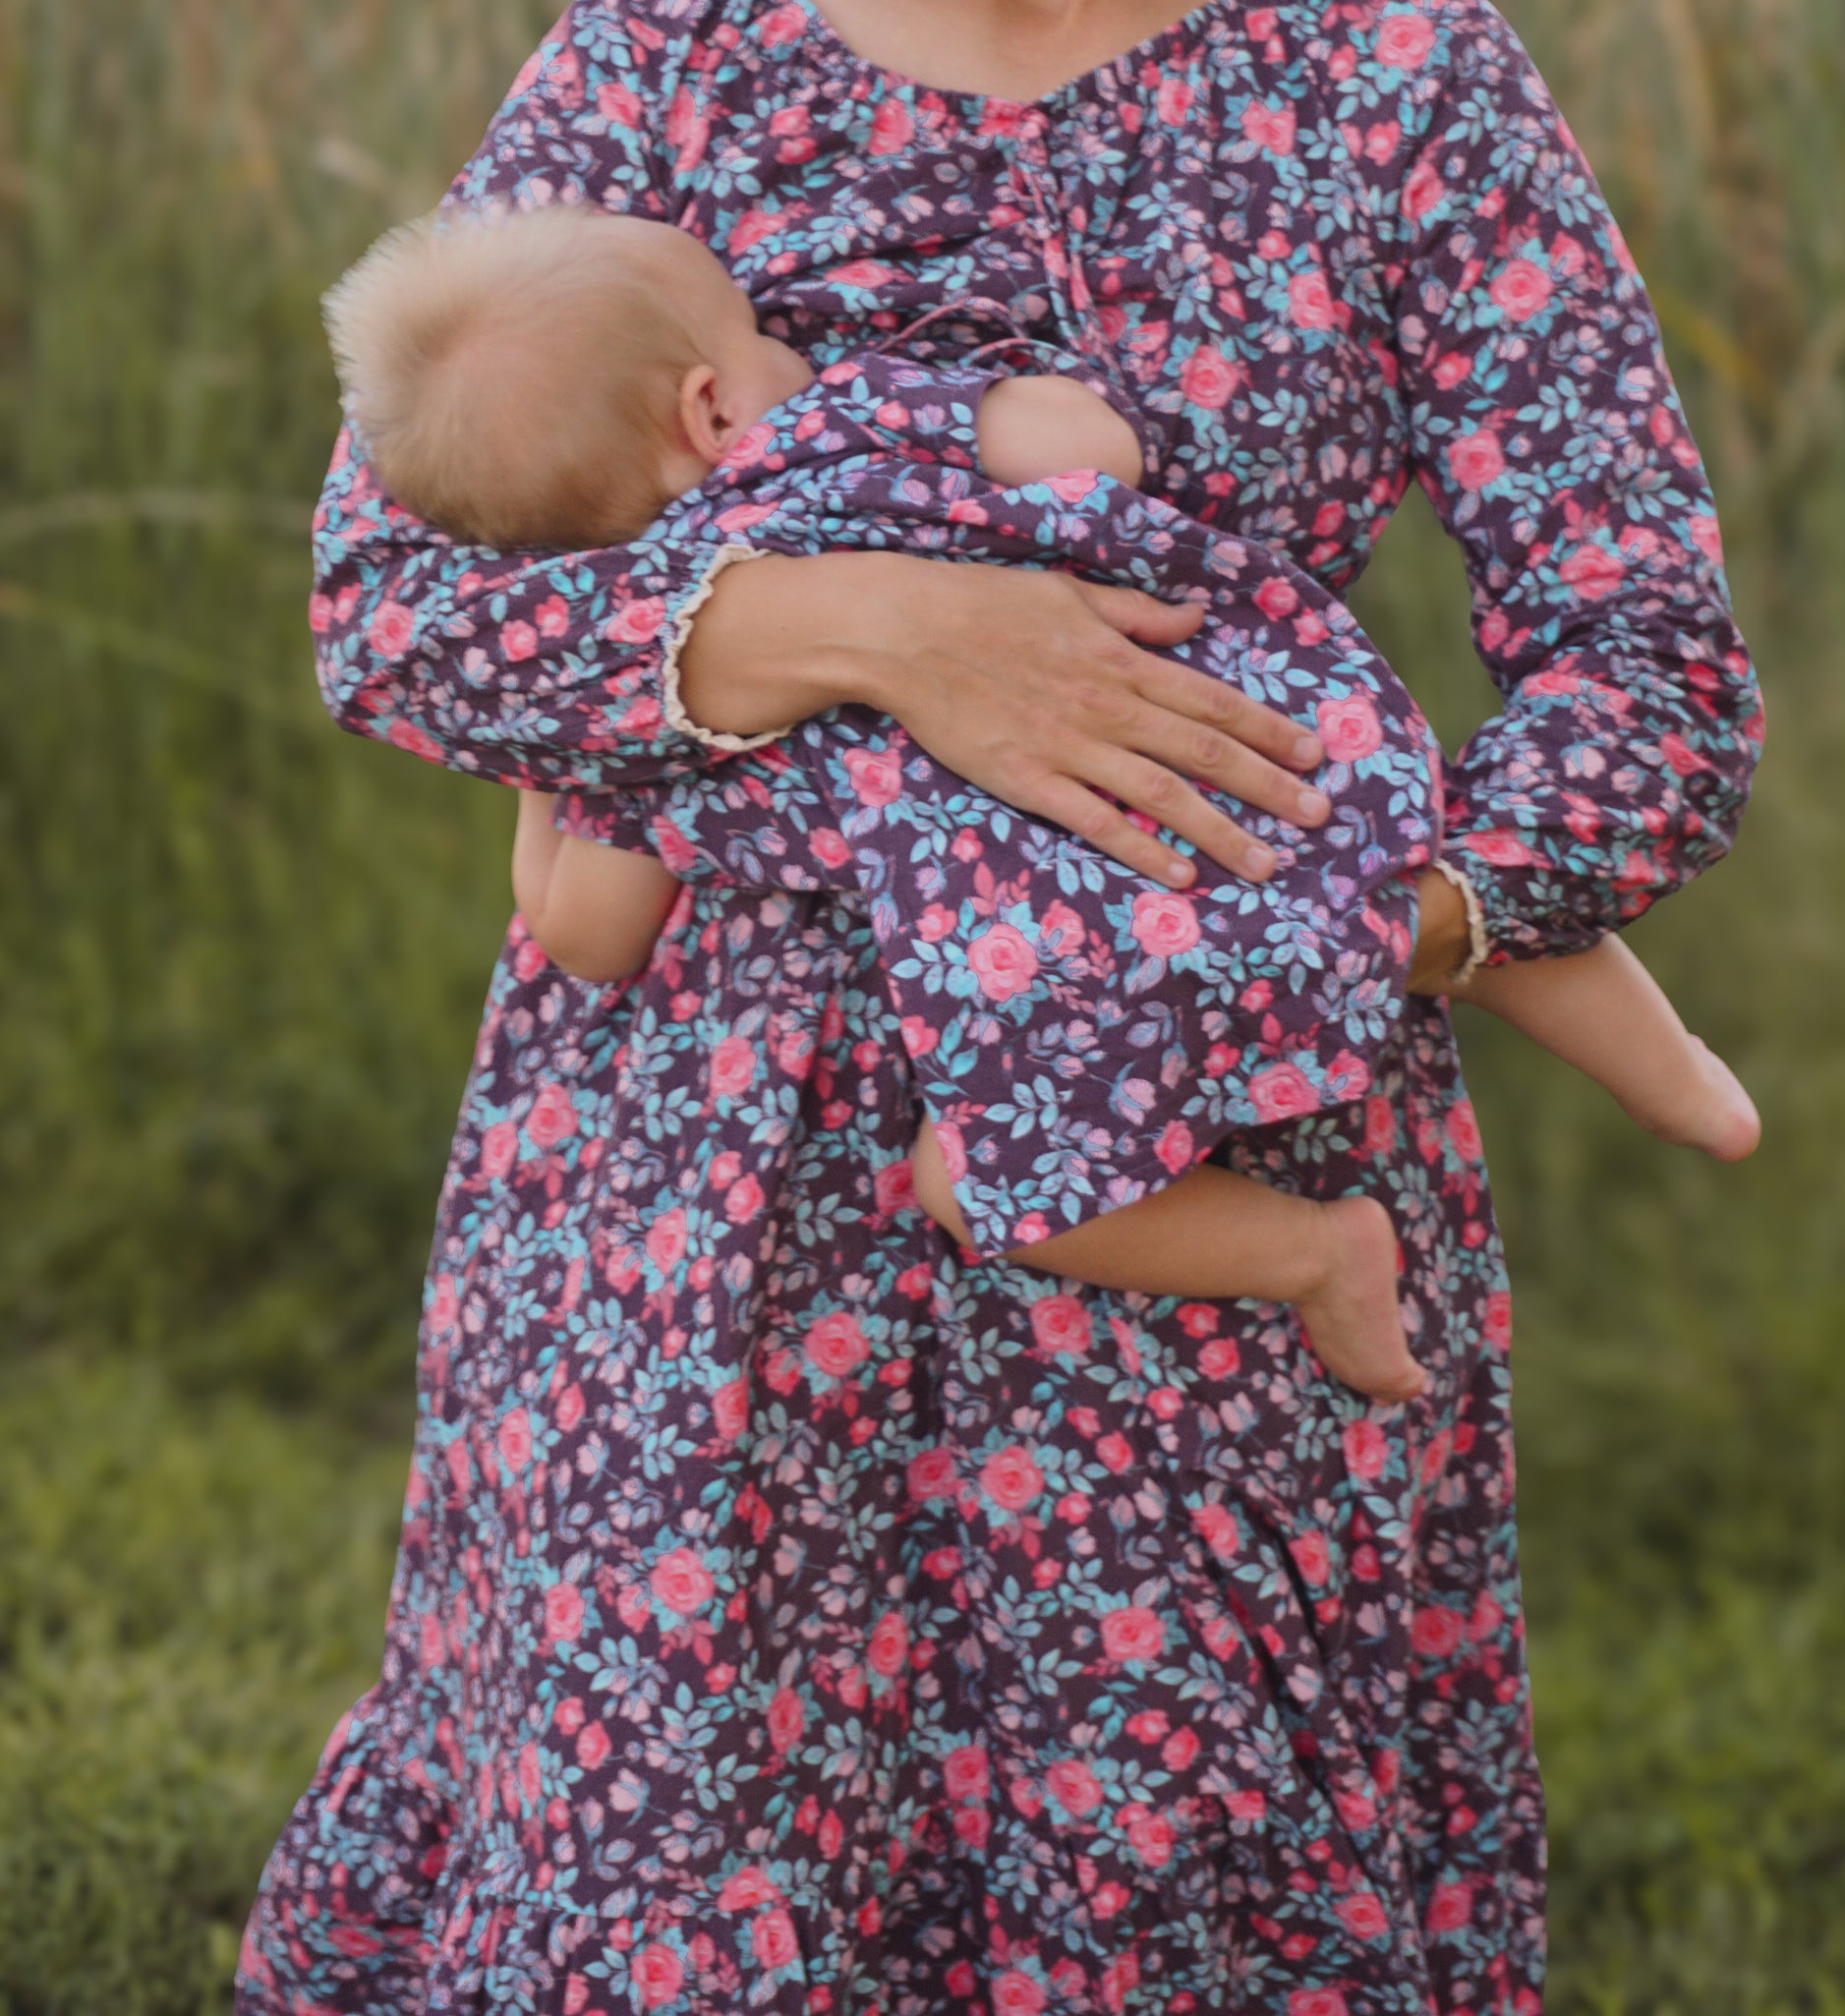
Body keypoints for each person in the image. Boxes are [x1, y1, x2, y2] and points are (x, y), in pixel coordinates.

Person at [242, 0, 1763, 2016]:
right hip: (690, 1232)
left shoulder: (1398, 92)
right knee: (692, 1892)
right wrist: (849, 622)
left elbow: (1649, 681)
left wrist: (1347, 926)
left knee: (1176, 1897)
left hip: (1205, 1196)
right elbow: (390, 597)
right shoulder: (675, 46)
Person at [324, 202, 1758, 1402]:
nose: (785, 350)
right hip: (1239, 747)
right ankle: (1674, 1072)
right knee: (1415, 890)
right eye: (760, 338)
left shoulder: (674, 699)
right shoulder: (862, 417)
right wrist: (1017, 409)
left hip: (1056, 986)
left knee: (977, 1183)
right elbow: (1095, 452)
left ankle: (1314, 1254)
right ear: (709, 400)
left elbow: (588, 934)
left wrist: (548, 775)